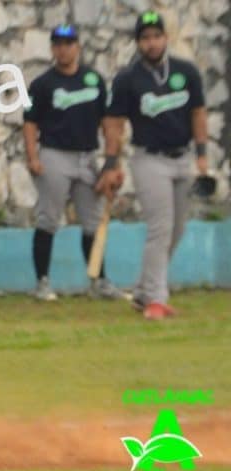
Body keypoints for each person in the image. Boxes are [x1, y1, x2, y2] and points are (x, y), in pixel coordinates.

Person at [97, 11, 209, 320]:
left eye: (156, 36)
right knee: (160, 228)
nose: (151, 43)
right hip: (149, 158)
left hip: (182, 156)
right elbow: (114, 124)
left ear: (165, 38)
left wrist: (201, 152)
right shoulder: (128, 79)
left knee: (177, 229)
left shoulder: (186, 72)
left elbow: (198, 113)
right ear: (138, 43)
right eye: (145, 38)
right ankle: (157, 300)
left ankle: (144, 290)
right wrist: (110, 164)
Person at [23, 24, 126, 302]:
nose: (63, 49)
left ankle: (98, 281)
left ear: (78, 46)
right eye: (58, 44)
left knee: (92, 220)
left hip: (87, 156)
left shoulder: (93, 80)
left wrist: (111, 162)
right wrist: (33, 156)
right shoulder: (43, 84)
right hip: (55, 154)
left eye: (68, 44)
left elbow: (108, 123)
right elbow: (30, 123)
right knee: (48, 218)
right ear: (52, 49)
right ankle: (42, 282)